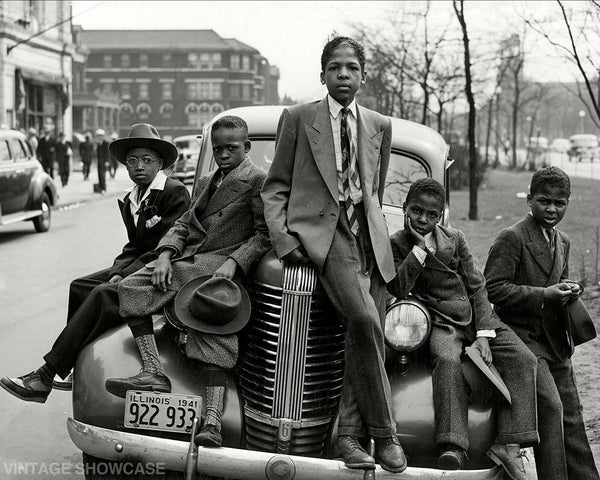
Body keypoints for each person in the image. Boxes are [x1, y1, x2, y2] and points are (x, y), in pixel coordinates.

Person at [260, 36, 406, 473]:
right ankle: (386, 435)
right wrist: (287, 243)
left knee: (363, 336)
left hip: (370, 241)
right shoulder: (300, 118)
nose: (344, 74)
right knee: (364, 321)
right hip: (326, 235)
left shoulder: (380, 123)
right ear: (322, 74)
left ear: (363, 75)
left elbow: (375, 191)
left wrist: (374, 230)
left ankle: (347, 437)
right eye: (335, 67)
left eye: (352, 68)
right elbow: (275, 187)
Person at [103, 115, 271, 447]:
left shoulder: (257, 181)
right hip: (187, 261)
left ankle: (212, 423)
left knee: (212, 330)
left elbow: (263, 236)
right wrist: (165, 253)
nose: (223, 154)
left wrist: (234, 264)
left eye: (231, 148)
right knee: (131, 286)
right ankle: (153, 371)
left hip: (219, 267)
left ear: (247, 147)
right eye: (218, 148)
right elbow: (183, 222)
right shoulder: (209, 179)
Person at [1, 123, 191, 400]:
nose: (139, 167)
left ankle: (45, 376)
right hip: (138, 266)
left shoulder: (173, 192)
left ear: (160, 164)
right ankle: (76, 366)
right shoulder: (133, 197)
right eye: (132, 161)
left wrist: (124, 274)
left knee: (103, 295)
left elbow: (170, 245)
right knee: (79, 286)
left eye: (147, 160)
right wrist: (118, 270)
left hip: (161, 273)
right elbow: (134, 245)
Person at [388, 178, 538, 479]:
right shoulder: (396, 244)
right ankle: (452, 444)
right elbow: (398, 286)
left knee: (524, 359)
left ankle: (508, 443)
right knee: (446, 359)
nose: (423, 219)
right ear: (405, 208)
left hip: (475, 318)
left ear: (441, 215)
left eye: (432, 215)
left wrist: (484, 332)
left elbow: (477, 286)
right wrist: (418, 251)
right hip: (440, 321)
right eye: (417, 211)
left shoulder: (455, 237)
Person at [484, 166, 599, 480]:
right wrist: (543, 294)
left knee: (572, 413)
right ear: (529, 200)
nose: (552, 209)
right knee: (551, 406)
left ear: (567, 203)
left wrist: (569, 287)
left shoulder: (562, 240)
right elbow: (492, 288)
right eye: (544, 201)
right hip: (520, 339)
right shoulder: (511, 237)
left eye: (559, 203)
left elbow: (556, 279)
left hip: (553, 340)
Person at [95, 128, 109, 193]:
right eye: (98, 136)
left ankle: (103, 188)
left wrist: (107, 161)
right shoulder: (98, 144)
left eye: (100, 136)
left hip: (104, 162)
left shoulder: (106, 143)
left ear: (103, 136)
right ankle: (100, 187)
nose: (99, 137)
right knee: (99, 175)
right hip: (99, 162)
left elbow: (107, 153)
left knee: (103, 175)